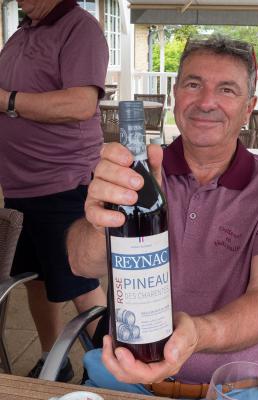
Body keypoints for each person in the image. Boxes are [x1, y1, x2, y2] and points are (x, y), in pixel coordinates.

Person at [67, 35, 258, 397]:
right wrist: (102, 220)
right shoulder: (133, 174)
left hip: (232, 388)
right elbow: (80, 264)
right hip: (125, 380)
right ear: (176, 95)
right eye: (194, 84)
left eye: (227, 89)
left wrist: (196, 334)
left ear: (249, 108)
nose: (206, 102)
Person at [0, 0, 108, 381]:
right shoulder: (22, 32)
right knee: (36, 279)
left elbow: (81, 104)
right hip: (21, 187)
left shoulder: (80, 28)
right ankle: (54, 362)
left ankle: (115, 374)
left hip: (63, 183)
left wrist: (8, 101)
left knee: (81, 284)